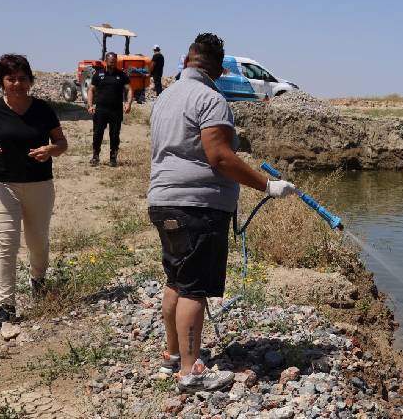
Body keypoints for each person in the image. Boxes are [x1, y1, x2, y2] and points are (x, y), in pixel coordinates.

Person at [147, 32, 298, 393]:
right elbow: (219, 156)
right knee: (194, 289)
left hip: (163, 200)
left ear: (186, 60)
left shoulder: (165, 98)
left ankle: (172, 356)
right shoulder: (211, 99)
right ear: (217, 68)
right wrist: (267, 185)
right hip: (198, 206)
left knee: (177, 279)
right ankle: (190, 372)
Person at [0, 54, 68, 331]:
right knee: (6, 242)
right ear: (1, 81)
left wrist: (50, 150)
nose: (17, 83)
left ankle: (38, 280)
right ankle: (6, 305)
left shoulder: (43, 109)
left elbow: (61, 142)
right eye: (11, 78)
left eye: (23, 78)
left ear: (30, 80)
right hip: (2, 185)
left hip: (39, 186)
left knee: (37, 242)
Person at [87, 52, 132, 167]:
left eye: (114, 62)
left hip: (116, 111)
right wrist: (90, 105)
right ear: (106, 61)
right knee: (97, 134)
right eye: (111, 62)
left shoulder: (122, 75)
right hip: (101, 110)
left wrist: (128, 103)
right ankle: (95, 156)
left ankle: (113, 158)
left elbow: (129, 89)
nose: (113, 64)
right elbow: (91, 90)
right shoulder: (98, 74)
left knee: (114, 135)